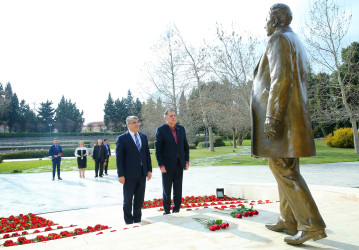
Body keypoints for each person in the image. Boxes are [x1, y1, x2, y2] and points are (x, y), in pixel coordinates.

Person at [250, 3, 326, 245]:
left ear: (276, 20)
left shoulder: (278, 39)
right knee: (284, 166)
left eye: (266, 19)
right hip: (293, 118)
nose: (265, 24)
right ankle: (288, 219)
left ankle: (311, 225)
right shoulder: (295, 40)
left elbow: (280, 79)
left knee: (283, 167)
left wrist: (272, 116)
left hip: (282, 120)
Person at [116, 116, 152, 224]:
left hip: (142, 173)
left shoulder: (143, 137)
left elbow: (147, 155)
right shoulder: (122, 138)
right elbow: (119, 158)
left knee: (139, 198)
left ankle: (137, 219)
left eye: (137, 122)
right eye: (134, 122)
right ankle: (128, 220)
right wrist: (120, 175)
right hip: (128, 175)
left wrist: (149, 170)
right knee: (128, 200)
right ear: (128, 125)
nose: (137, 124)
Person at [155, 108, 189, 215]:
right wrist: (161, 164)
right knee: (167, 189)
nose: (173, 117)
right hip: (167, 166)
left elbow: (185, 146)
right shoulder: (161, 130)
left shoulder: (181, 128)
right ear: (165, 118)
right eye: (171, 116)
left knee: (178, 189)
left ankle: (177, 209)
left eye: (174, 115)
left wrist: (187, 161)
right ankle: (166, 210)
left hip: (180, 164)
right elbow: (158, 150)